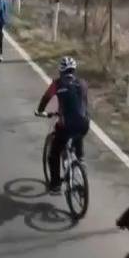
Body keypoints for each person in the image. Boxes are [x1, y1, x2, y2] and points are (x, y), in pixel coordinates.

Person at [34, 56, 90, 194]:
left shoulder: (57, 84)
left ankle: (55, 186)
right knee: (78, 134)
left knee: (53, 154)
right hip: (84, 124)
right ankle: (80, 160)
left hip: (66, 126)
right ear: (74, 70)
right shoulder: (82, 83)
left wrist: (40, 111)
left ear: (60, 71)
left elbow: (46, 98)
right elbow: (83, 104)